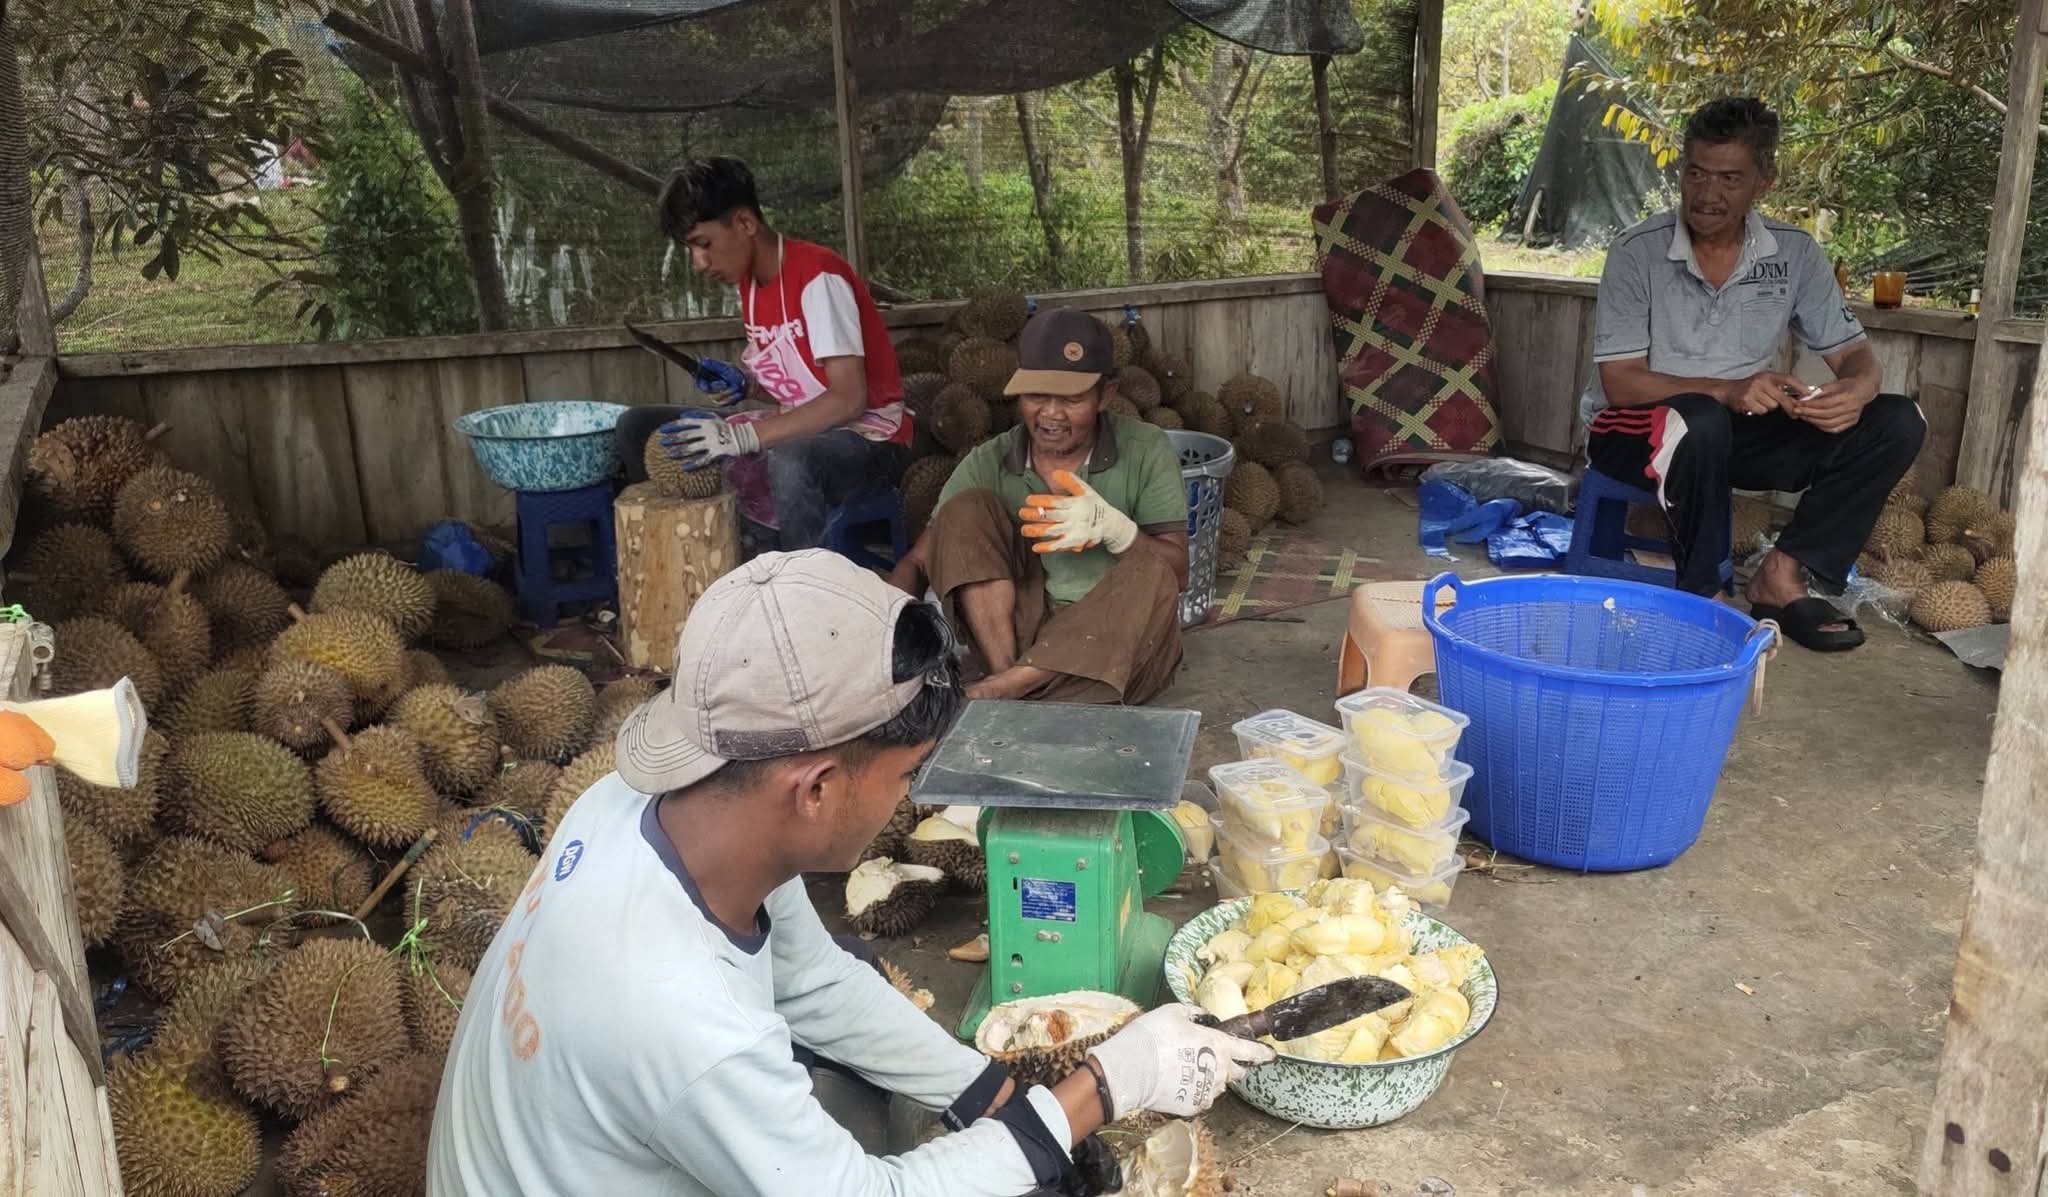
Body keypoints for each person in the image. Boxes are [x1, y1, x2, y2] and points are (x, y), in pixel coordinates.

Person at [426, 550, 1270, 1196]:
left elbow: (814, 981)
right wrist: (1108, 1082)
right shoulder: (684, 1019)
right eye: (906, 776)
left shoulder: (633, 805)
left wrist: (998, 1096)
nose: (911, 795)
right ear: (818, 787)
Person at [1582, 97, 1923, 651]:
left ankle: (1782, 576)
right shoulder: (1636, 252)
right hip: (1632, 430)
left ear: (1764, 180)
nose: (1707, 193)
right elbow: (1621, 382)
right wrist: (1725, 389)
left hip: (1734, 430)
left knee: (1897, 420)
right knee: (1699, 418)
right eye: (1695, 173)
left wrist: (1854, 392)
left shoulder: (1793, 254)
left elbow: (1855, 356)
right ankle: (1704, 594)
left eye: (1729, 178)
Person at [888, 308, 1189, 703]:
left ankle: (1009, 689)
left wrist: (1119, 533)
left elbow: (1179, 572)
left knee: (1154, 568)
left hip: (1114, 644)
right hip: (1017, 639)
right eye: (1035, 396)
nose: (1050, 414)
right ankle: (1012, 677)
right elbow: (918, 562)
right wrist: (884, 631)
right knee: (964, 511)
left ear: (1106, 395)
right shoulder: (988, 461)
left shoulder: (1147, 449)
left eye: (1071, 399)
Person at [617, 157, 912, 551]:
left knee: (789, 460)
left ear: (744, 223)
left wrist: (741, 436)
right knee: (637, 426)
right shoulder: (751, 288)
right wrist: (748, 385)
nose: (700, 263)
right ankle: (695, 559)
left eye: (704, 245)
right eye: (691, 250)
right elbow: (801, 392)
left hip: (871, 440)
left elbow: (848, 398)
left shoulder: (818, 276)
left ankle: (798, 590)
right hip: (800, 424)